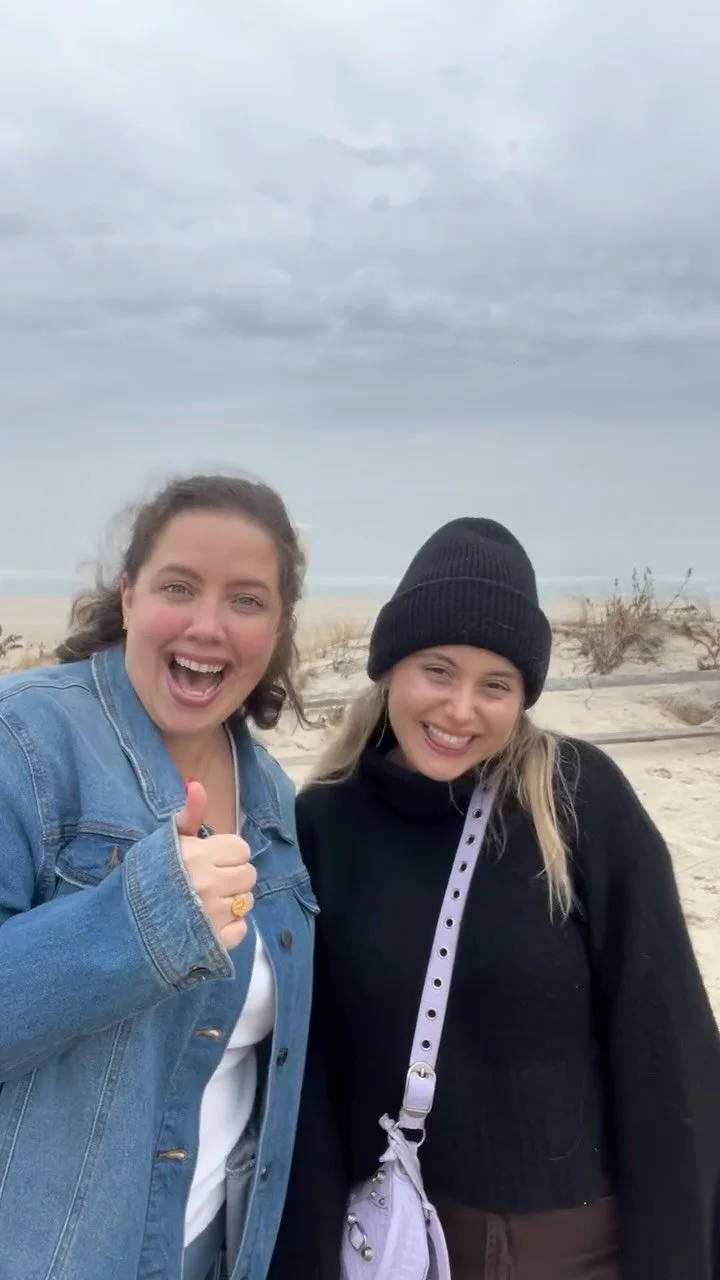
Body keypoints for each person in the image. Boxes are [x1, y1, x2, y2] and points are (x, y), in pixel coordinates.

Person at [269, 517, 720, 1280]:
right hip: (395, 1247)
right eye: (438, 670)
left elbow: (669, 1053)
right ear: (391, 667)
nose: (460, 709)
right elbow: (310, 1080)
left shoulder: (576, 800)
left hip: (577, 1251)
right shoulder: (324, 825)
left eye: (495, 685)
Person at [0, 473, 318, 1280]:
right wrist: (142, 923)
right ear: (129, 596)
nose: (208, 625)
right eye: (179, 587)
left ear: (278, 628)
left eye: (246, 600)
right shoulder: (26, 740)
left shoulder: (271, 795)